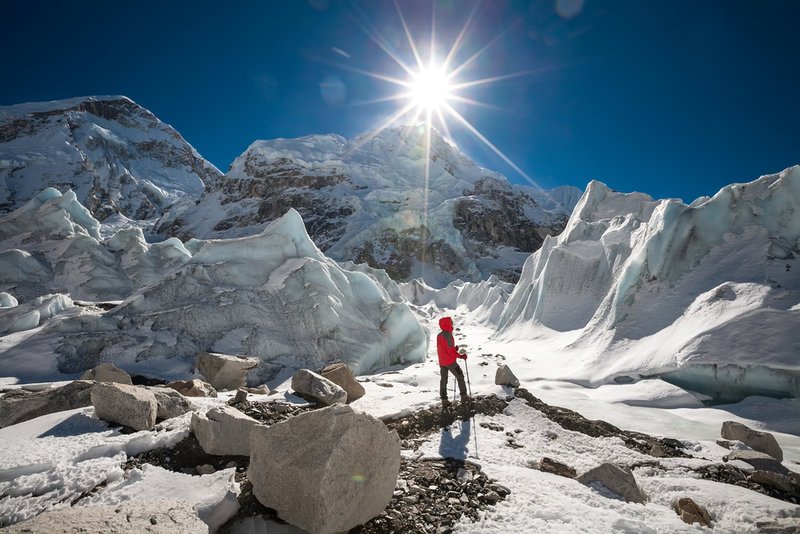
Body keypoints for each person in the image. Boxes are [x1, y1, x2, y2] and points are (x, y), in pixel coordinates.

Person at [436, 316, 469, 404]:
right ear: (447, 324)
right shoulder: (448, 335)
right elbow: (450, 352)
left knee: (444, 379)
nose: (452, 324)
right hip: (450, 362)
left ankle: (444, 400)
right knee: (460, 376)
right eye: (451, 322)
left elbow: (444, 349)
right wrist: (461, 356)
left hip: (442, 362)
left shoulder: (439, 335)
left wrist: (454, 349)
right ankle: (464, 396)